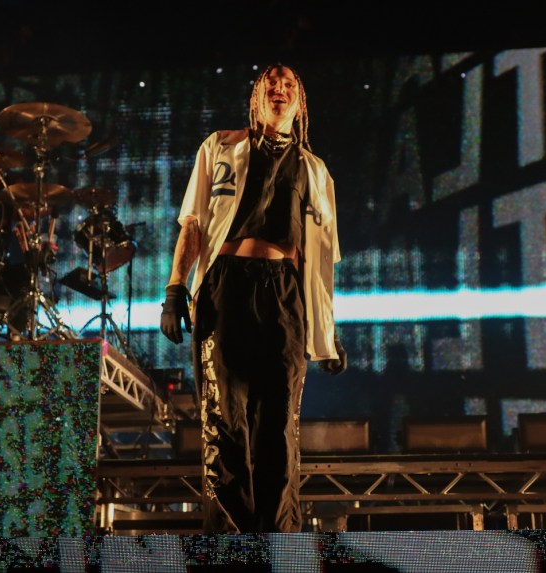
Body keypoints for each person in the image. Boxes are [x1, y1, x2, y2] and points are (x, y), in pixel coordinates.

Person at [160, 63, 346, 533]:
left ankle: (279, 543)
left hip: (284, 296)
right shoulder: (220, 146)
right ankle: (230, 547)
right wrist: (175, 287)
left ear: (300, 103)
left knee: (278, 426)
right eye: (271, 82)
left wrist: (327, 332)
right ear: (256, 96)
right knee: (225, 420)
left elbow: (319, 260)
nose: (279, 89)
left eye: (289, 84)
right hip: (227, 287)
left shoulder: (315, 170)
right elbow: (193, 223)